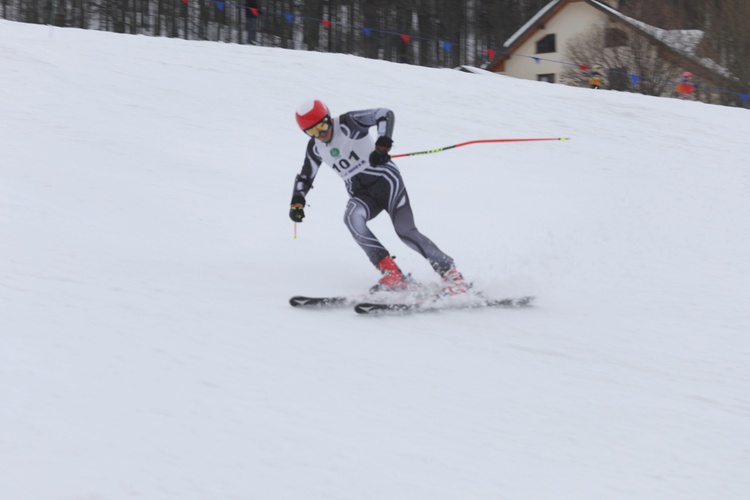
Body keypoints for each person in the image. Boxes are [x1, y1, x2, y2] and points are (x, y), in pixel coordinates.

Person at [288, 100, 469, 295]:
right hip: (362, 195)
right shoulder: (315, 147)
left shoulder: (349, 123)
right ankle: (393, 274)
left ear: (329, 118)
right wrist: (297, 202)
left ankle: (453, 276)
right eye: (313, 132)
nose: (321, 134)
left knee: (405, 231)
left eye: (323, 126)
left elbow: (384, 114)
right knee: (351, 218)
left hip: (387, 183)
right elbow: (306, 176)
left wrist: (382, 145)